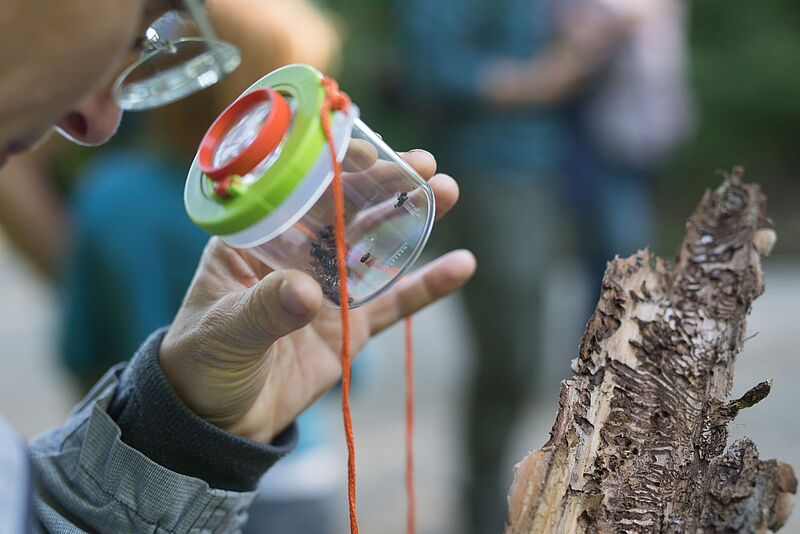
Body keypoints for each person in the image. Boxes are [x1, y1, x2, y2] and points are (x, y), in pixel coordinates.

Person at [0, 0, 476, 531]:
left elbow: (79, 346)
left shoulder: (108, 197)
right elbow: (351, 370)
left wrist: (173, 425)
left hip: (185, 481)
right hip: (292, 478)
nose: (98, 120)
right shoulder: (291, 220)